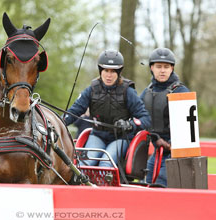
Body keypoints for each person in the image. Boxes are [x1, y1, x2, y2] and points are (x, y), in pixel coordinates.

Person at [64, 50, 151, 167]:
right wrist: (59, 123)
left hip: (120, 139)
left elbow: (145, 118)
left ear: (119, 72)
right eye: (106, 70)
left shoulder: (128, 92)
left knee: (105, 164)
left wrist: (130, 125)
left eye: (113, 71)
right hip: (97, 135)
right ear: (101, 71)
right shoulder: (91, 90)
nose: (109, 75)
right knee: (85, 164)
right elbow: (74, 111)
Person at [140, 48, 190, 186]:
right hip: (157, 150)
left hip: (176, 154)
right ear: (151, 68)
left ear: (172, 68)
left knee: (161, 184)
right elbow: (137, 115)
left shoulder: (181, 92)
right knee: (145, 183)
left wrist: (171, 145)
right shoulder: (147, 92)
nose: (162, 70)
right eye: (159, 67)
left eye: (166, 67)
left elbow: (188, 128)